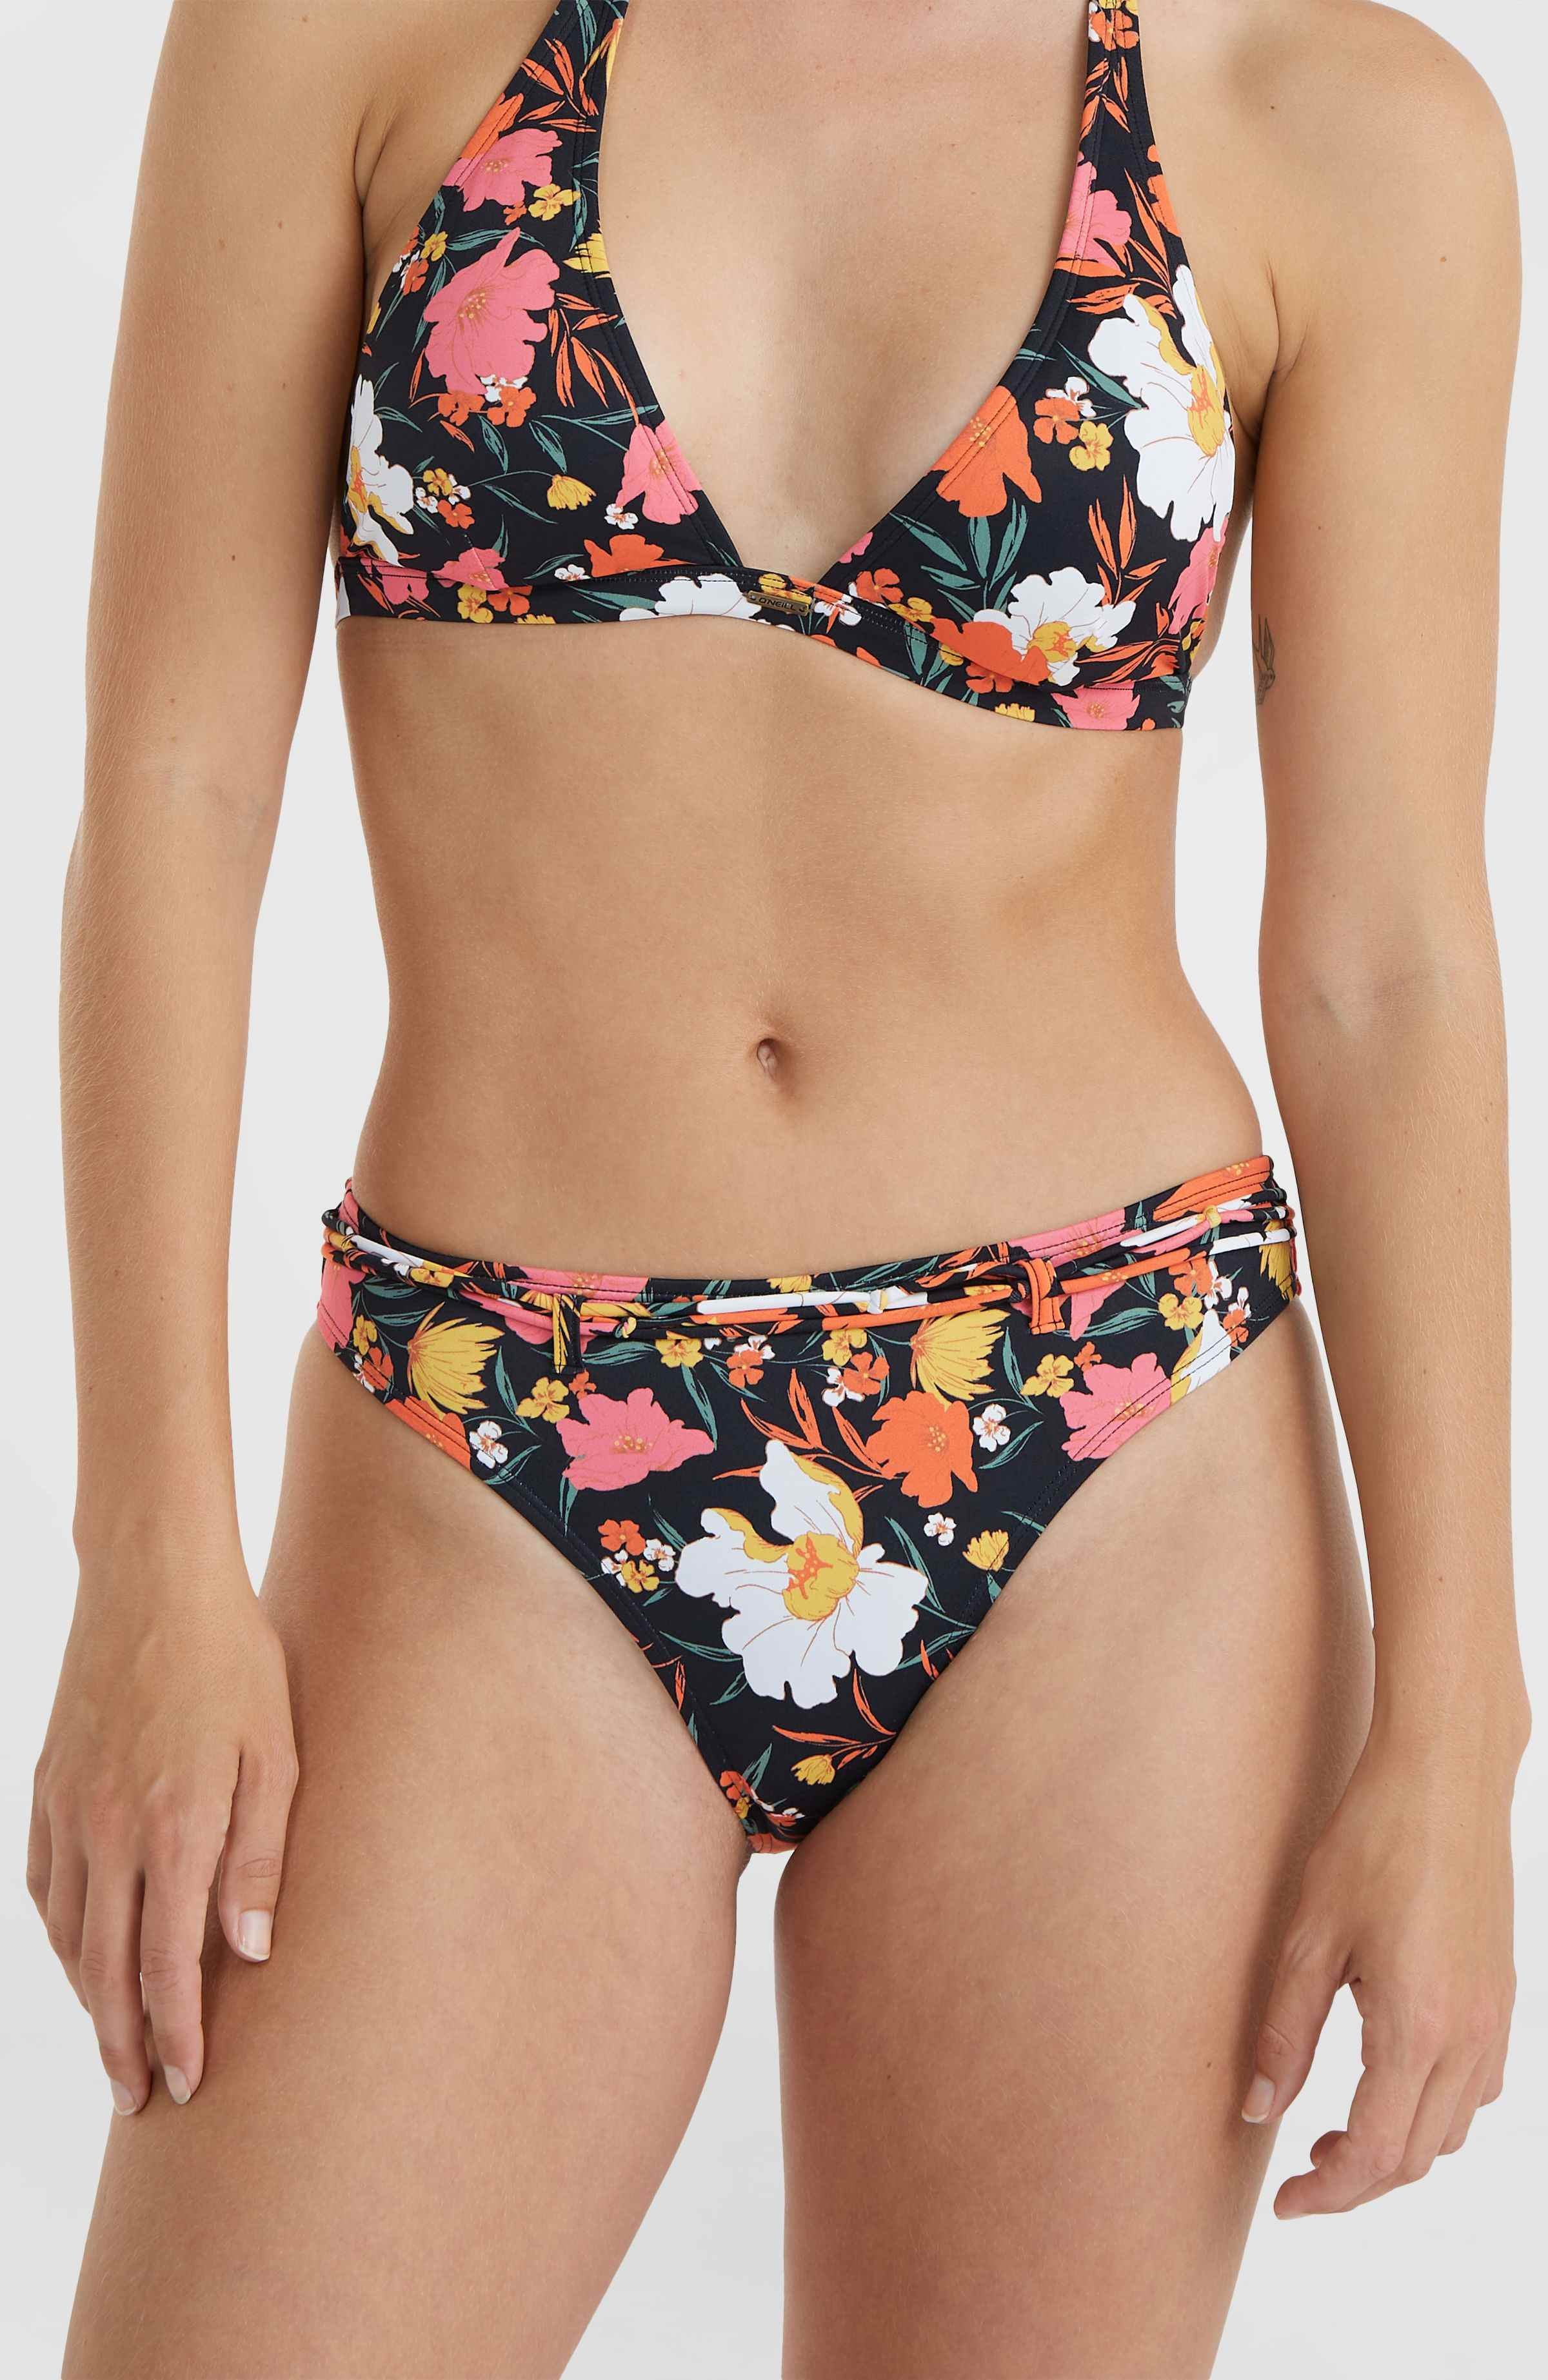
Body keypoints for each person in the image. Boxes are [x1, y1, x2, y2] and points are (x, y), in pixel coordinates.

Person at [31, 3, 1527, 2373]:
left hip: (1116, 1446)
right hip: (490, 1432)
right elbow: (173, 796)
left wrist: (1461, 1716)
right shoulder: (340, 33)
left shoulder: (1338, 122)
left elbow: (1388, 961)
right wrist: (144, 1560)